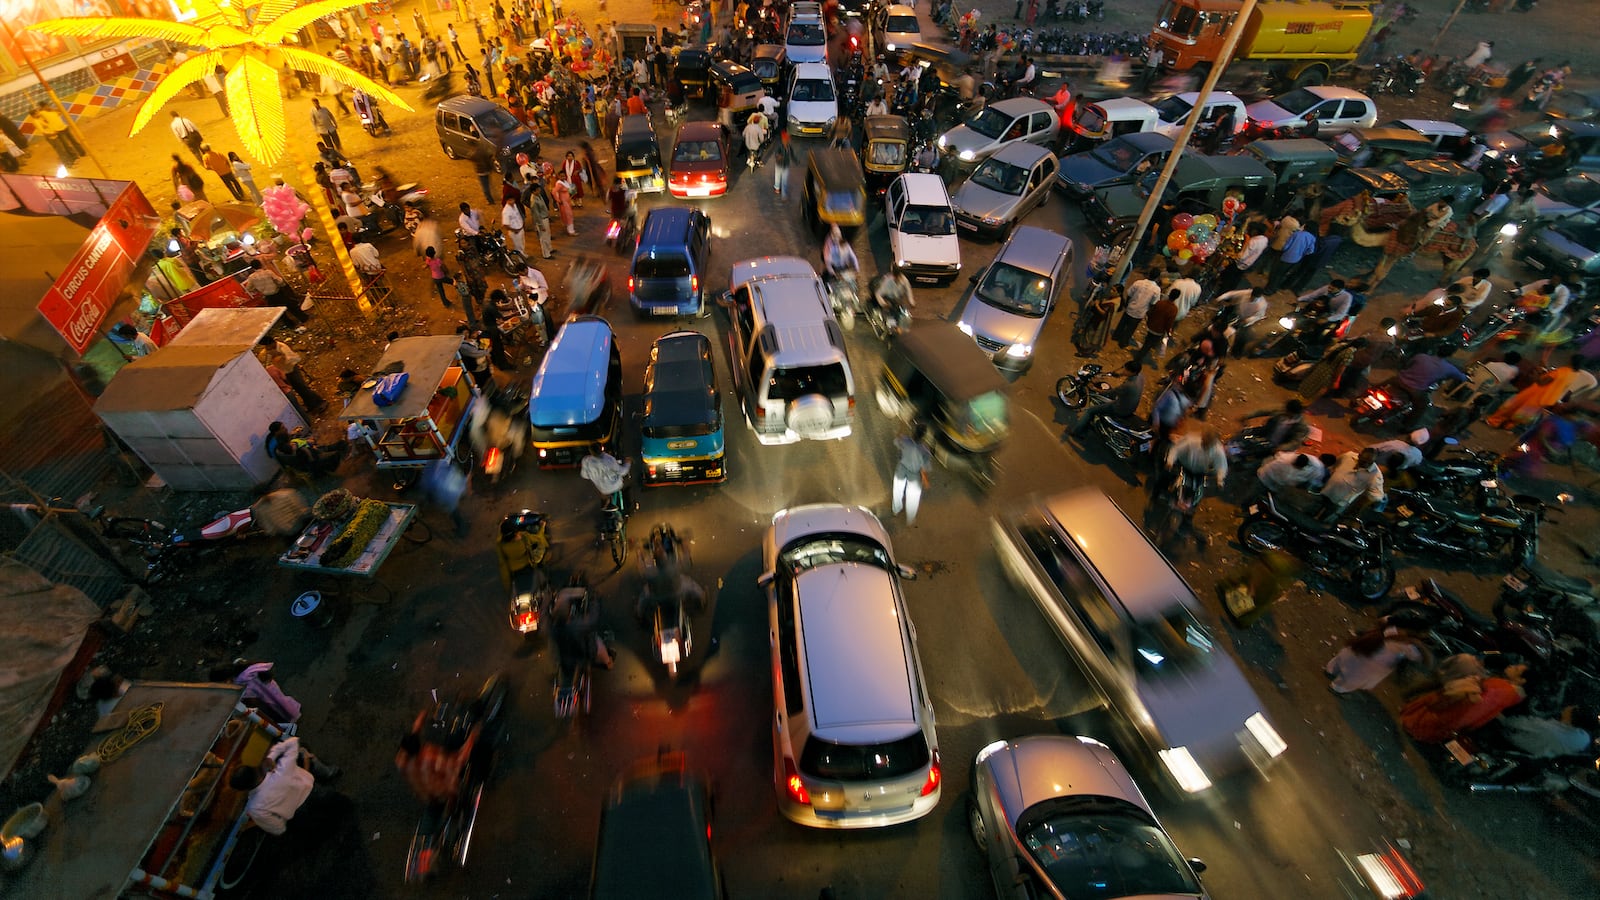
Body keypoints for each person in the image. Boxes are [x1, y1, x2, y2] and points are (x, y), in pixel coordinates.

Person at [231, 736, 337, 835]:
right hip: (326, 797)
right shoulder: (282, 767)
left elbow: (279, 829)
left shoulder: (254, 808)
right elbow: (294, 741)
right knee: (303, 751)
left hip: (307, 821)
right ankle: (328, 772)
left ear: (243, 789)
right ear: (253, 768)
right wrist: (271, 757)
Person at [1325, 626, 1429, 694]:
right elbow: (1428, 662)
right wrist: (1421, 646)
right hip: (1374, 663)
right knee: (1355, 675)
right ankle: (1337, 688)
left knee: (1347, 659)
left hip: (1367, 647)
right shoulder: (1409, 647)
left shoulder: (1397, 630)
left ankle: (1331, 670)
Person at [1072, 361, 1144, 438]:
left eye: (1126, 370)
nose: (1124, 370)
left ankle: (1076, 432)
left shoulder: (1129, 385)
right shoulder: (1140, 377)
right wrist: (1118, 374)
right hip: (1130, 406)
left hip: (1121, 408)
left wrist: (1095, 389)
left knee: (1090, 411)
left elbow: (1111, 393)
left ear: (1132, 372)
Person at [259, 335, 325, 412]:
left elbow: (291, 358)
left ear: (272, 343)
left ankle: (319, 402)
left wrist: (281, 358)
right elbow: (266, 358)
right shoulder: (269, 350)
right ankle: (310, 404)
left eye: (269, 346)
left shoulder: (281, 346)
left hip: (292, 369)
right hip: (284, 372)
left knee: (302, 387)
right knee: (298, 389)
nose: (268, 348)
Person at [1318, 448, 1385, 521]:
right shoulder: (1348, 456)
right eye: (1364, 461)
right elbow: (1336, 463)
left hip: (1339, 501)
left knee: (1324, 517)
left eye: (1370, 463)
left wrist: (1367, 495)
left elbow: (1378, 496)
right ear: (1359, 456)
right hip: (1328, 490)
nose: (1366, 464)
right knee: (1315, 507)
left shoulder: (1375, 475)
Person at [234, 662, 303, 724]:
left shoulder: (240, 681)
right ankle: (294, 710)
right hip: (270, 685)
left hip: (263, 693)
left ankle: (292, 716)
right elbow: (266, 669)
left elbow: (248, 694)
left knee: (276, 705)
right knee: (281, 699)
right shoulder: (251, 668)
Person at [891, 423, 933, 524]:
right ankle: (910, 519)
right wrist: (925, 481)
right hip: (914, 474)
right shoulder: (925, 451)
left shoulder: (905, 440)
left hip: (901, 469)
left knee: (897, 491)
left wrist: (900, 430)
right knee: (912, 498)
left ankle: (896, 510)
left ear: (913, 432)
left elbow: (896, 441)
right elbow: (924, 469)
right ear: (923, 436)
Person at [244, 260, 309, 324]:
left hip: (268, 297)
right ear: (260, 265)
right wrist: (281, 285)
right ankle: (303, 318)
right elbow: (279, 281)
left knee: (280, 312)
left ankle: (290, 325)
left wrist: (258, 291)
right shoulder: (268, 272)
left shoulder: (251, 277)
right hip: (278, 293)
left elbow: (248, 289)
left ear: (253, 268)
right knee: (291, 306)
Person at [1113, 268, 1161, 348]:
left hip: (1130, 307)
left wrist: (1127, 304)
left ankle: (1116, 336)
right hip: (1140, 312)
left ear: (1149, 274)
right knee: (1130, 328)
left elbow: (1129, 294)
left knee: (1122, 323)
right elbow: (1153, 303)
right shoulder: (1156, 289)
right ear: (1157, 277)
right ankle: (1123, 342)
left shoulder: (1139, 282)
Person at [580, 443, 631, 512]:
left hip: (602, 488)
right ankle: (628, 506)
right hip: (616, 485)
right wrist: (628, 463)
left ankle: (605, 504)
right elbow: (622, 472)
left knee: (603, 492)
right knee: (627, 483)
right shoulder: (609, 459)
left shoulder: (586, 461)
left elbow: (584, 475)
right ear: (601, 448)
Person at [1257, 451, 1327, 496]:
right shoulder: (1285, 459)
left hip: (1271, 479)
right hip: (1265, 476)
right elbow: (1288, 479)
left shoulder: (1316, 468)